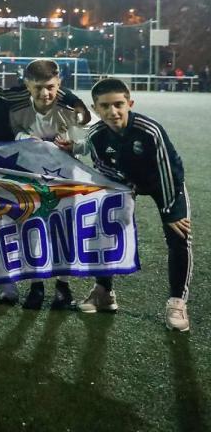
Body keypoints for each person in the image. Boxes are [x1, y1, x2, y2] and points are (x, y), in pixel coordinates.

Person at [83, 78, 192, 331]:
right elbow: (102, 168)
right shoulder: (96, 135)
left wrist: (169, 212)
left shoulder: (149, 130)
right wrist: (125, 186)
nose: (113, 111)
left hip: (165, 184)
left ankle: (177, 301)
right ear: (95, 108)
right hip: (126, 183)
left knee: (178, 235)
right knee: (103, 229)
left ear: (129, 103)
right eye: (105, 106)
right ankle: (104, 291)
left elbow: (169, 170)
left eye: (119, 104)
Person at [8, 59, 87, 310]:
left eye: (50, 87)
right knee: (33, 231)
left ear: (59, 84)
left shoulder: (72, 107)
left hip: (66, 179)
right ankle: (36, 285)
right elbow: (13, 133)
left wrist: (74, 145)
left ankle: (63, 286)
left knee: (65, 232)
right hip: (32, 180)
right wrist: (23, 137)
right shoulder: (17, 108)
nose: (45, 93)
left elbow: (89, 139)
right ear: (27, 85)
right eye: (38, 87)